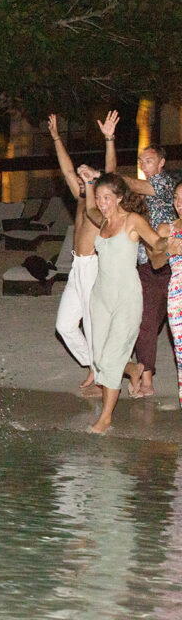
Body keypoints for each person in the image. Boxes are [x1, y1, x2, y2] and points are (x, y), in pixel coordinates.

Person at [77, 166, 169, 433]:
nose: (102, 203)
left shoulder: (132, 221)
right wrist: (90, 184)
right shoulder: (102, 220)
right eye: (99, 198)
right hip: (101, 297)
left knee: (111, 359)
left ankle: (105, 418)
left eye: (107, 198)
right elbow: (89, 210)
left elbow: (155, 242)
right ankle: (133, 370)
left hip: (127, 297)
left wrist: (168, 242)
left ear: (119, 197)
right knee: (101, 359)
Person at [49, 111, 118, 394]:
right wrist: (55, 136)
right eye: (79, 175)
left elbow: (112, 174)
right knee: (64, 325)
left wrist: (109, 139)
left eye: (85, 174)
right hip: (76, 267)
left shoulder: (100, 203)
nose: (79, 176)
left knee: (92, 325)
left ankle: (101, 375)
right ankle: (94, 365)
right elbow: (66, 169)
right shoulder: (79, 197)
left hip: (93, 268)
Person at [120, 146, 181, 396]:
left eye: (150, 160)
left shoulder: (166, 184)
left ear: (162, 162)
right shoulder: (169, 225)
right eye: (141, 161)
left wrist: (107, 175)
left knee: (148, 321)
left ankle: (145, 377)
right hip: (155, 266)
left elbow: (134, 184)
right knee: (146, 321)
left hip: (164, 270)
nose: (144, 164)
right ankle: (146, 379)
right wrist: (168, 250)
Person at [157, 181, 182, 408]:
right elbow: (154, 260)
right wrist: (168, 250)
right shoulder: (167, 229)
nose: (179, 203)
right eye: (176, 197)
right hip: (177, 296)